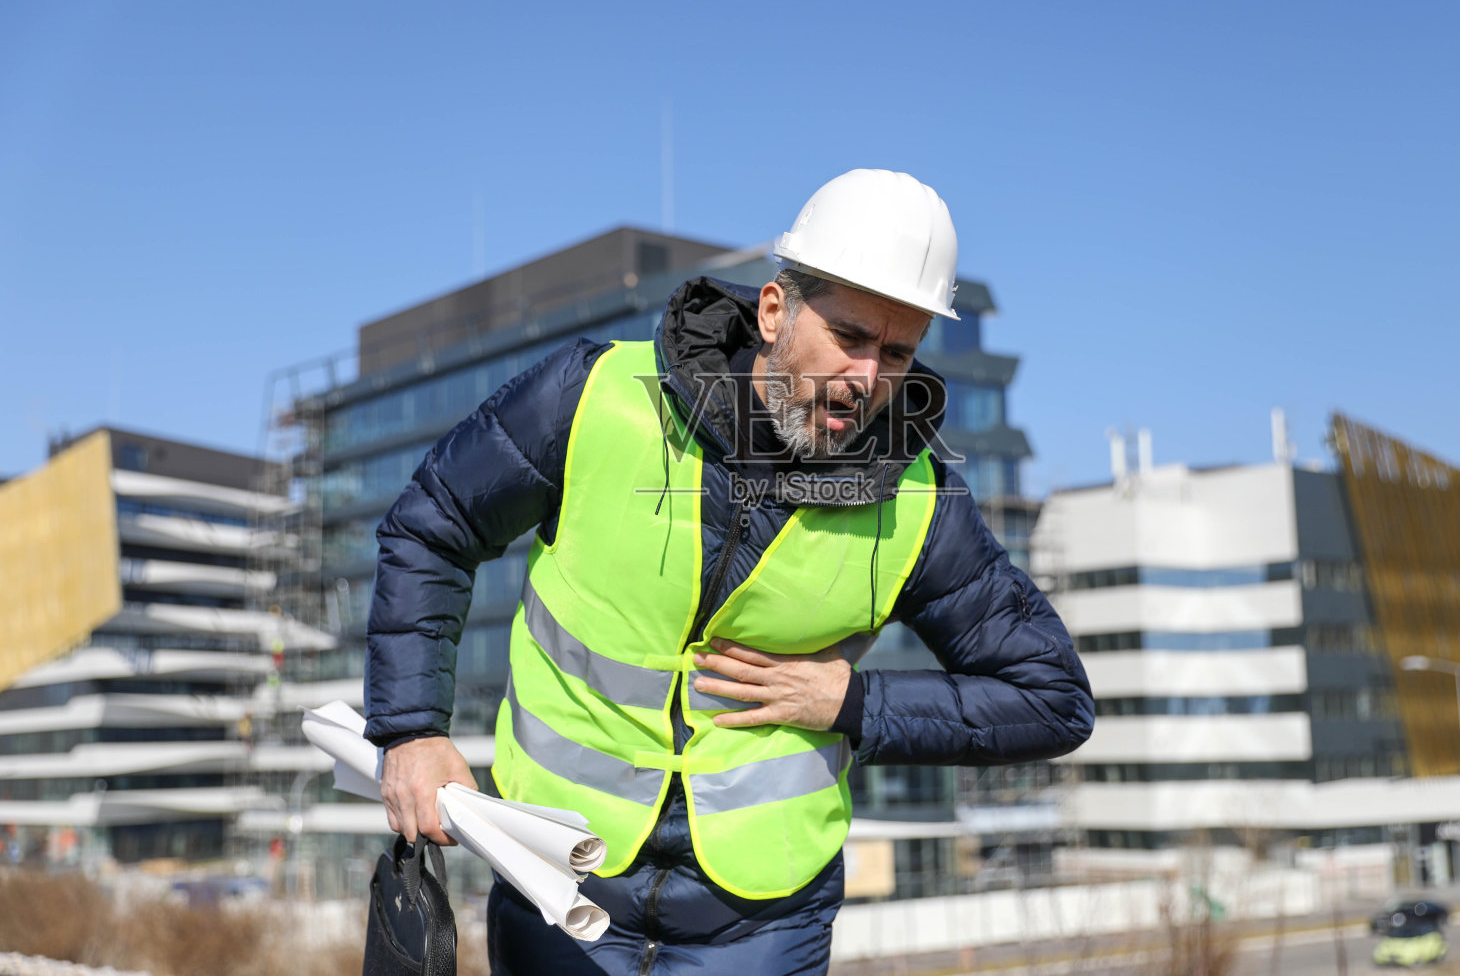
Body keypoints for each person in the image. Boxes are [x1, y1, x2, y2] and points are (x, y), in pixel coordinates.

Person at [365, 169, 1095, 975]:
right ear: (775, 310)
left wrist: (852, 701)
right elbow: (432, 524)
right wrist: (412, 729)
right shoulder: (595, 397)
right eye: (849, 336)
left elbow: (1052, 697)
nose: (867, 377)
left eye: (897, 351)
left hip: (763, 927)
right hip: (557, 883)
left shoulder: (921, 503)